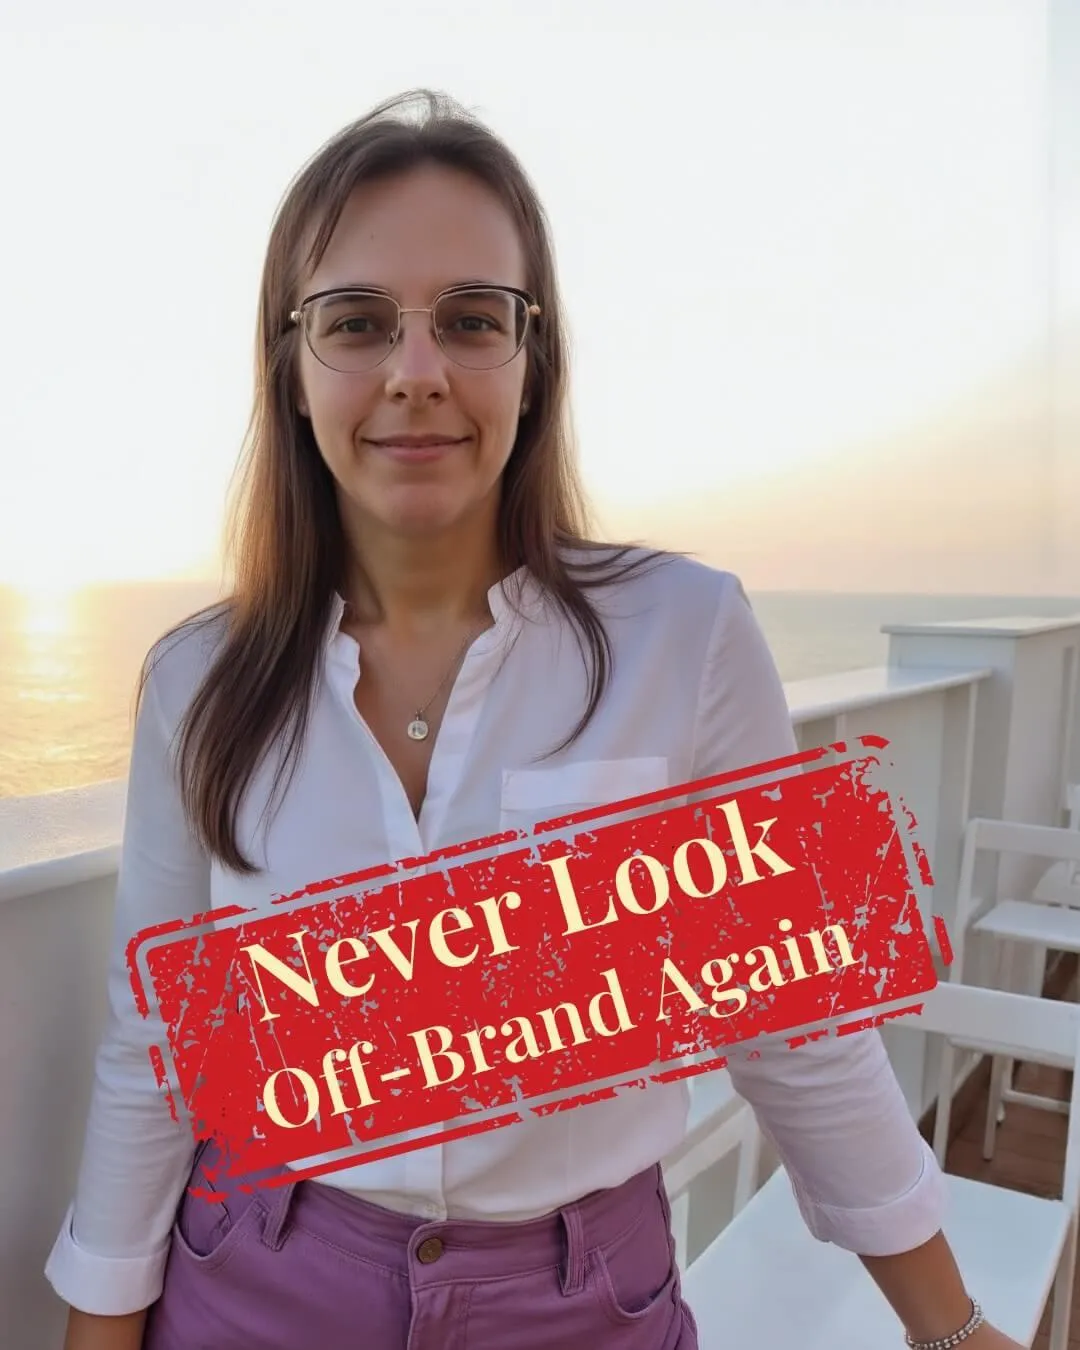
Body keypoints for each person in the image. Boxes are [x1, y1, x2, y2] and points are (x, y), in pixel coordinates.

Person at [46, 89, 1022, 1350]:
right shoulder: (201, 679)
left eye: (470, 319)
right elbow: (160, 1051)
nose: (416, 371)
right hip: (255, 1280)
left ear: (532, 358)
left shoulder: (686, 635)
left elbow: (789, 1021)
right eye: (356, 322)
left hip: (581, 1301)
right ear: (293, 372)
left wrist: (948, 1331)